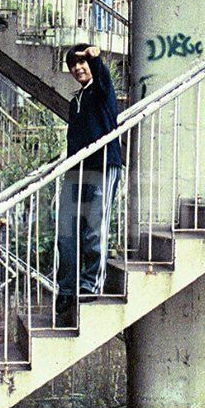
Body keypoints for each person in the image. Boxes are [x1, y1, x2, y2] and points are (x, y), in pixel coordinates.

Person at [55, 45, 123, 325]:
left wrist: (95, 58)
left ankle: (91, 284)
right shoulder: (76, 101)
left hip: (103, 165)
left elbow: (103, 77)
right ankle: (67, 288)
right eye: (73, 65)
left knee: (94, 231)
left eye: (81, 63)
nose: (77, 68)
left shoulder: (101, 92)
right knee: (66, 234)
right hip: (76, 169)